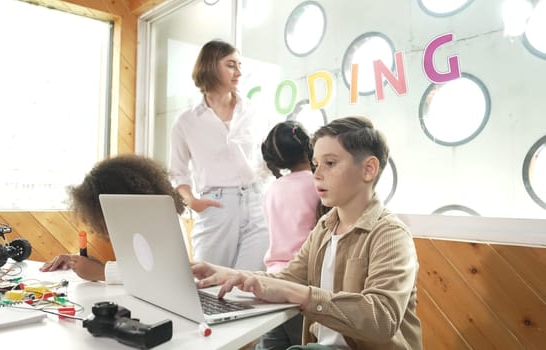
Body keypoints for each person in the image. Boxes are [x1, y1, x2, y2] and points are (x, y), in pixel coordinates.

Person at [192, 116, 422, 349]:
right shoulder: (324, 228)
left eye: (330, 163)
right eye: (315, 164)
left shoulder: (391, 234)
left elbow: (382, 318)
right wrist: (228, 274)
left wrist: (303, 295)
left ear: (368, 169)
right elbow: (284, 280)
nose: (317, 174)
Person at [169, 39, 268, 270]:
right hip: (217, 204)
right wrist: (192, 201)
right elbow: (178, 173)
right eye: (231, 65)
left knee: (251, 285)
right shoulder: (186, 122)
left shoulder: (253, 111)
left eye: (240, 65)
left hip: (257, 203)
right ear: (211, 66)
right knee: (207, 283)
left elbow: (265, 158)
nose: (239, 72)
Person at [39, 154, 185, 282]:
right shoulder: (139, 225)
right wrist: (81, 263)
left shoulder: (161, 224)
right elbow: (134, 266)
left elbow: (161, 273)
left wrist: (101, 272)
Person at [256, 120, 319, 350]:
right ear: (308, 146)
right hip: (302, 285)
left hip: (270, 284)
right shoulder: (318, 184)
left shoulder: (272, 189)